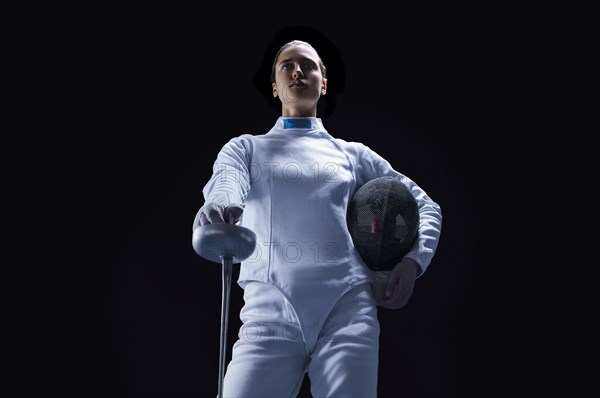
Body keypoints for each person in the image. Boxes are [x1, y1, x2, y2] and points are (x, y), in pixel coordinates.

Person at [192, 39, 442, 397]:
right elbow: (227, 179)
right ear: (274, 86)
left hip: (347, 311)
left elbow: (425, 206)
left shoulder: (353, 155)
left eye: (308, 66)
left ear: (323, 84)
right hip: (269, 314)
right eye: (287, 65)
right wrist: (221, 204)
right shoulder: (247, 147)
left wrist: (413, 262)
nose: (297, 71)